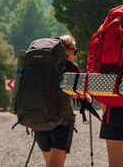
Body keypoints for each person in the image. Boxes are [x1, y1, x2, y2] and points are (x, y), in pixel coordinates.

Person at [33, 35, 80, 167]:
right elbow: (79, 94)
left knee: (49, 163)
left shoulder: (41, 68)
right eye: (74, 51)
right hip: (61, 122)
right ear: (67, 51)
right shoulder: (70, 68)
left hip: (38, 120)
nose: (75, 56)